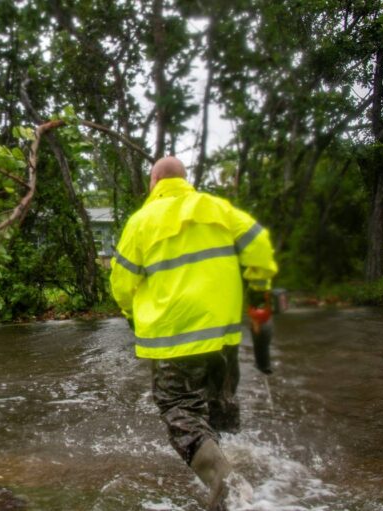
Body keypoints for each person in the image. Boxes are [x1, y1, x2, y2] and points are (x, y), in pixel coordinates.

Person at [110, 156, 277, 510]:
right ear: (184, 180)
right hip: (223, 338)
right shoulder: (217, 208)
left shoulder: (140, 223)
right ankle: (245, 470)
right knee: (218, 405)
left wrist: (130, 315)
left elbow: (121, 284)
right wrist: (259, 289)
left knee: (178, 408)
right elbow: (259, 243)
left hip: (174, 340)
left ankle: (226, 484)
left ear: (154, 183)